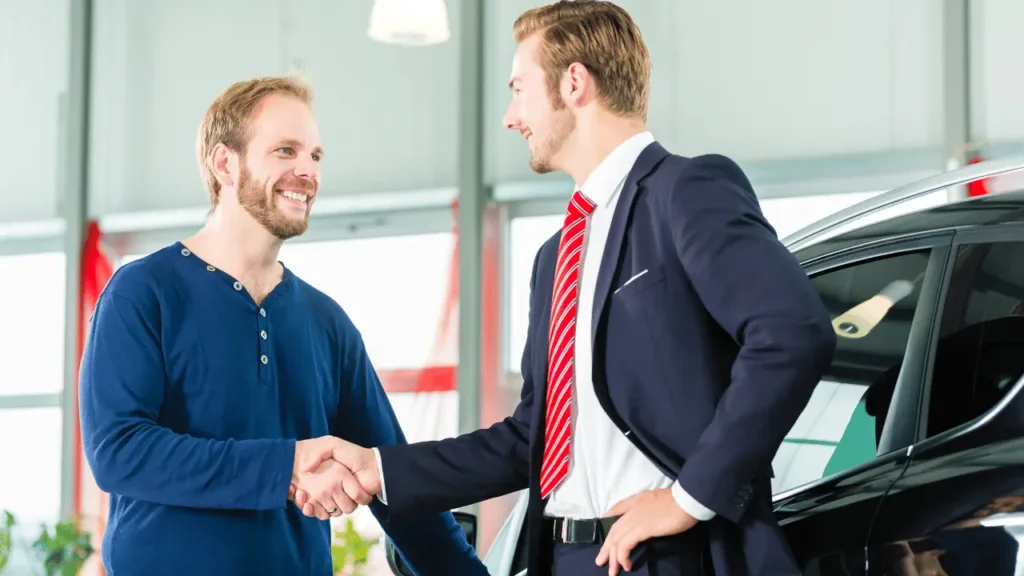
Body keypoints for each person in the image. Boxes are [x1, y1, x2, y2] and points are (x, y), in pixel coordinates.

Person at [294, 2, 836, 574]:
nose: (510, 116)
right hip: (562, 557)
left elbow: (791, 333)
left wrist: (687, 497)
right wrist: (379, 469)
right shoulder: (554, 258)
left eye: (519, 88)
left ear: (573, 82)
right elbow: (529, 438)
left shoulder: (686, 190)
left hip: (670, 556)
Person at [78, 74, 488, 576]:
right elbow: (119, 452)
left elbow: (392, 481)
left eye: (315, 156)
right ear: (225, 163)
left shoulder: (326, 323)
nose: (307, 171)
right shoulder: (142, 292)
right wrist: (286, 464)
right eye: (285, 151)